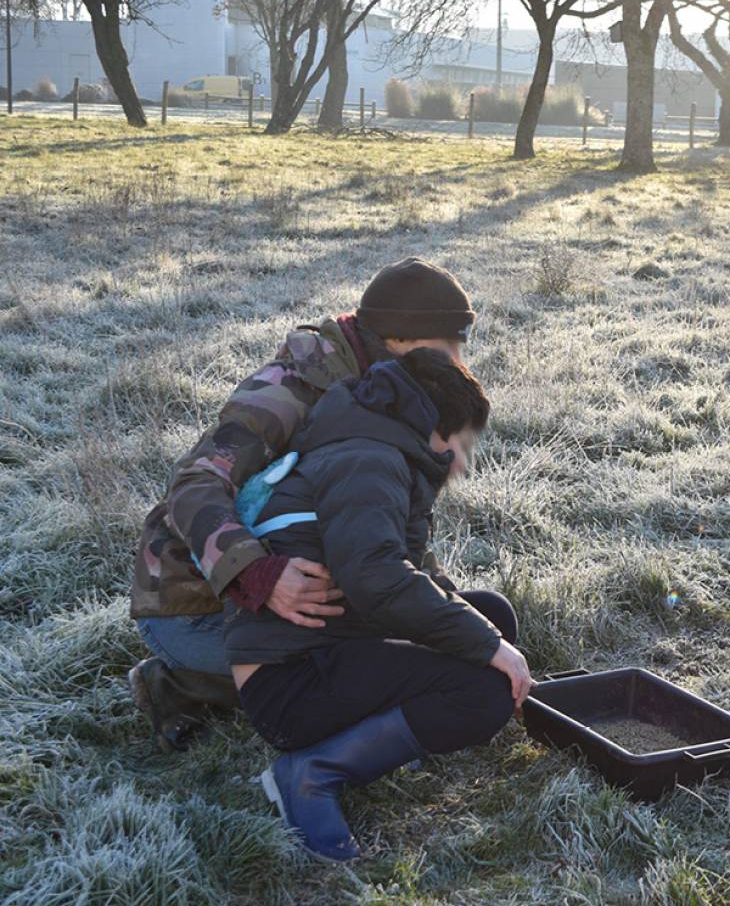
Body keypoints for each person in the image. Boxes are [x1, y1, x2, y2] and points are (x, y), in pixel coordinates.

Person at [129, 257, 481, 752]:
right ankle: (178, 680)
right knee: (346, 667)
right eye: (448, 343)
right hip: (194, 605)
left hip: (294, 585)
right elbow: (194, 483)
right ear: (399, 341)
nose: (458, 359)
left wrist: (435, 603)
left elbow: (383, 526)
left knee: (406, 640)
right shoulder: (289, 391)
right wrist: (258, 575)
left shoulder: (391, 393)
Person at [227, 348, 533, 861]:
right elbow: (376, 578)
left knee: (491, 615)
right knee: (483, 692)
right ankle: (311, 773)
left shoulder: (371, 445)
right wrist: (487, 649)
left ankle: (382, 734)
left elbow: (396, 567)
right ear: (428, 424)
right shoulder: (368, 459)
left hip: (324, 646)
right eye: (458, 444)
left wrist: (485, 635)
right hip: (289, 683)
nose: (461, 462)